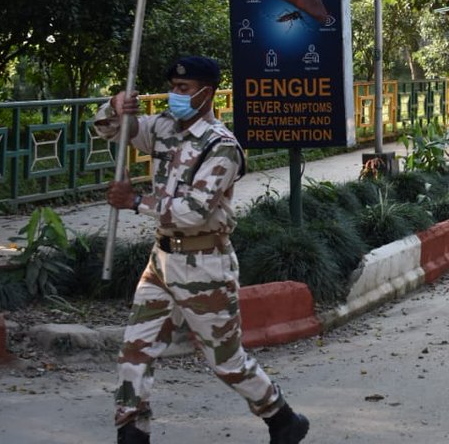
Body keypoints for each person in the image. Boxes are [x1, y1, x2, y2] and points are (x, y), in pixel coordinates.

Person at [95, 56, 309, 444]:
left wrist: (134, 202)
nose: (175, 95)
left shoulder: (222, 147)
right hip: (161, 263)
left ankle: (282, 417)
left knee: (226, 362)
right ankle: (131, 431)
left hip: (204, 266)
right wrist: (115, 106)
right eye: (172, 88)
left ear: (206, 94)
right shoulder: (162, 127)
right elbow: (113, 132)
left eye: (184, 89)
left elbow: (193, 212)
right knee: (136, 349)